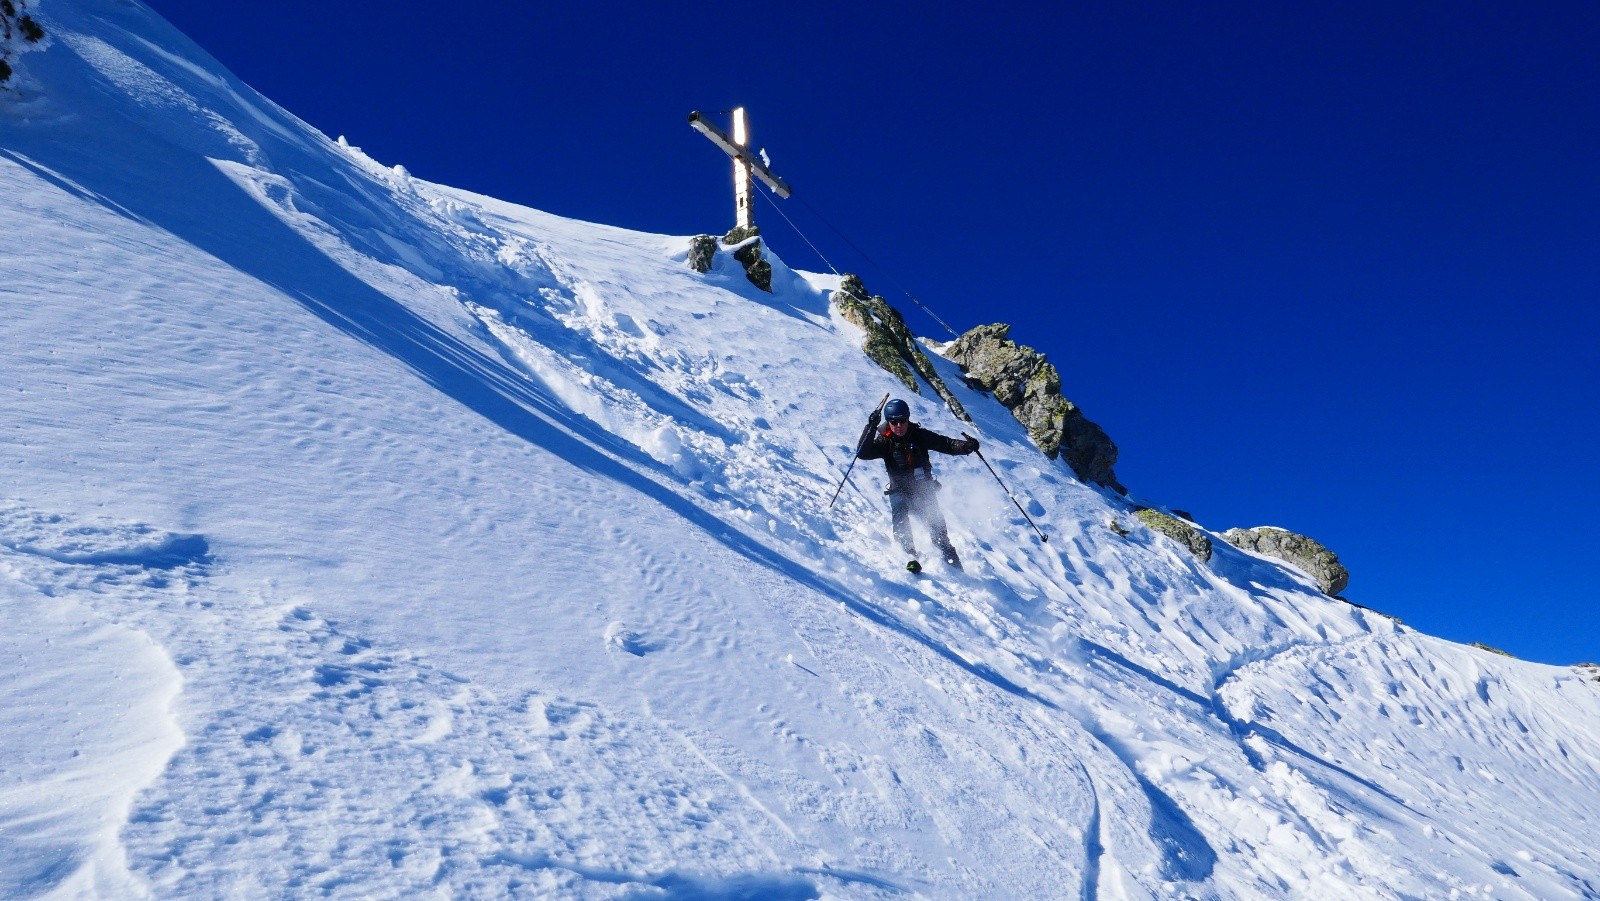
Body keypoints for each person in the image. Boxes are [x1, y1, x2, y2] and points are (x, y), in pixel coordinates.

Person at [855, 398, 979, 571]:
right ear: (888, 422)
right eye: (894, 422)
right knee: (900, 513)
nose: (899, 425)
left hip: (924, 489)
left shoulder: (919, 435)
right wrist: (869, 428)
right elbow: (862, 453)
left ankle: (954, 566)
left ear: (908, 418)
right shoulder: (884, 441)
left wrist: (966, 447)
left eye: (902, 420)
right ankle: (908, 556)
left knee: (938, 527)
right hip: (899, 490)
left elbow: (945, 444)